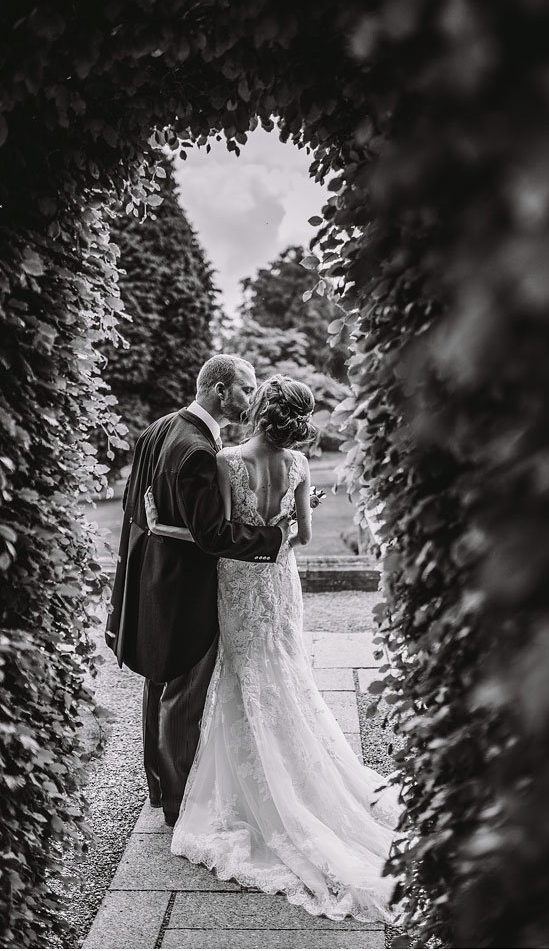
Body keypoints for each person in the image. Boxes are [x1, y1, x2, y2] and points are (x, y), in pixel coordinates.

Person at [146, 375, 404, 925]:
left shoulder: (226, 460)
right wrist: (291, 512)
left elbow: (216, 532)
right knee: (287, 677)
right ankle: (301, 783)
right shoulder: (300, 466)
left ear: (260, 407)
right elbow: (302, 537)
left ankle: (249, 792)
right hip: (279, 585)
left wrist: (163, 527)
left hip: (238, 585)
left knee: (243, 680)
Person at [107, 354, 287, 829]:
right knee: (183, 696)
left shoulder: (159, 429)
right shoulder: (198, 451)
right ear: (220, 390)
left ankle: (158, 787)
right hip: (185, 592)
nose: (252, 398)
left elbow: (137, 512)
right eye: (246, 389)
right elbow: (213, 536)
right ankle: (179, 805)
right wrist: (274, 537)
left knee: (158, 684)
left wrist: (159, 532)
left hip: (153, 582)